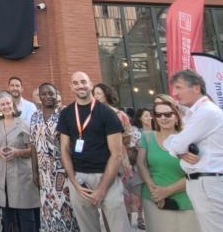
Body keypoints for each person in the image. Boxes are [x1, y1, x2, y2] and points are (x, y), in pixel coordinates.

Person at [57, 71, 131, 232]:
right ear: (71, 86)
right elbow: (64, 149)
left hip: (107, 177)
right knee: (87, 228)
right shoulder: (66, 113)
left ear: (90, 84)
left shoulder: (107, 113)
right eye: (75, 83)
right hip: (80, 179)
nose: (80, 86)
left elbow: (117, 153)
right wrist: (74, 183)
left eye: (83, 82)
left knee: (119, 227)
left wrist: (102, 188)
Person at [162, 69, 223, 232]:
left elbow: (175, 144)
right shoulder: (198, 113)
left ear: (196, 88)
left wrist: (177, 149)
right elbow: (178, 146)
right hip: (205, 182)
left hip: (208, 182)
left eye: (179, 87)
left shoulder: (206, 112)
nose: (175, 93)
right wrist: (180, 152)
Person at [135, 94, 200, 232]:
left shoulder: (189, 139)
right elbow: (141, 165)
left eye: (167, 114)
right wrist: (154, 191)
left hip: (186, 202)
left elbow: (195, 173)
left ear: (176, 116)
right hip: (154, 200)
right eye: (158, 115)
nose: (163, 118)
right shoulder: (147, 138)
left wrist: (166, 191)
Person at [0, 92, 39, 232]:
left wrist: (17, 152)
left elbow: (32, 150)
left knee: (26, 216)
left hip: (21, 177)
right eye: (3, 104)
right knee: (7, 217)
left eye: (8, 103)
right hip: (1, 177)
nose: (6, 106)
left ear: (13, 104)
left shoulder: (24, 124)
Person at [30, 83, 79, 232]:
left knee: (67, 206)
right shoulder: (35, 116)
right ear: (39, 97)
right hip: (44, 172)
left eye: (51, 93)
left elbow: (74, 141)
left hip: (62, 168)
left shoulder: (64, 113)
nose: (48, 97)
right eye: (44, 94)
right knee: (47, 207)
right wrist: (35, 171)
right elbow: (33, 145)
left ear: (56, 95)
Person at [92, 83, 142, 228]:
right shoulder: (92, 115)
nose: (96, 96)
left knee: (123, 200)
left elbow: (130, 135)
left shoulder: (119, 115)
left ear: (107, 94)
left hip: (120, 160)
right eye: (94, 93)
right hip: (102, 160)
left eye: (99, 93)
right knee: (107, 201)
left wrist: (118, 139)